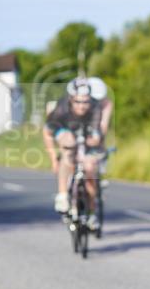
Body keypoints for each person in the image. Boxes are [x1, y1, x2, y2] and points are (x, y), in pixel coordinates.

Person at [43, 78, 104, 229]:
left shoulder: (95, 107)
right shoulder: (61, 108)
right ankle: (63, 195)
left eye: (85, 102)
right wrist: (53, 159)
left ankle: (91, 213)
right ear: (71, 99)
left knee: (90, 168)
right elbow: (47, 132)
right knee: (69, 146)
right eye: (78, 102)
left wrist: (94, 139)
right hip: (65, 131)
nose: (82, 106)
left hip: (85, 134)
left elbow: (97, 133)